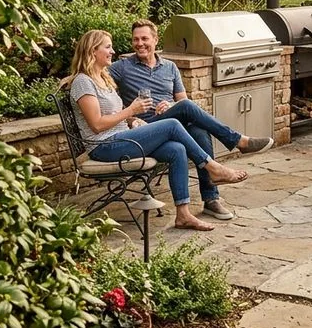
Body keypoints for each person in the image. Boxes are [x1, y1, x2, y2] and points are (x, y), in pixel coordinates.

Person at [63, 30, 251, 231]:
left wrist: (133, 119)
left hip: (122, 138)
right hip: (104, 147)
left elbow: (116, 115)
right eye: (108, 47)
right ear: (93, 51)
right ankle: (213, 167)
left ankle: (183, 215)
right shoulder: (83, 82)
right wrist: (131, 110)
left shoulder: (104, 78)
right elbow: (97, 124)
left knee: (176, 149)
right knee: (172, 125)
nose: (113, 51)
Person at [108, 19, 273, 222]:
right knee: (186, 109)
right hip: (146, 129)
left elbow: (182, 100)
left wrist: (170, 106)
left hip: (170, 120)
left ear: (155, 40)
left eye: (144, 38)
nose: (139, 43)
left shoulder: (170, 67)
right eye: (135, 39)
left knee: (198, 130)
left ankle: (211, 200)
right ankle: (238, 141)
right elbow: (91, 72)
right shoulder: (123, 67)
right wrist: (70, 79)